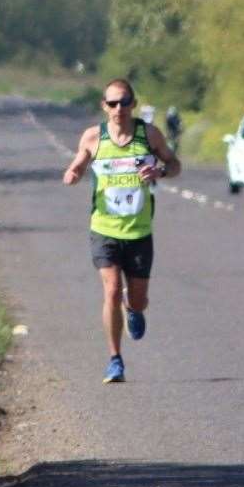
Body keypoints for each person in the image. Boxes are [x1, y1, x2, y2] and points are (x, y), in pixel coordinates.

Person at [62, 78, 181, 383]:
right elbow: (77, 164)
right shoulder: (93, 138)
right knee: (111, 290)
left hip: (139, 232)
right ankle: (115, 360)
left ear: (133, 104)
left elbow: (174, 164)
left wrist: (161, 171)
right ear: (104, 106)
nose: (119, 108)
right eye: (112, 103)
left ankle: (134, 308)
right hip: (104, 229)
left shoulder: (149, 134)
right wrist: (74, 173)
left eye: (124, 101)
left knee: (138, 300)